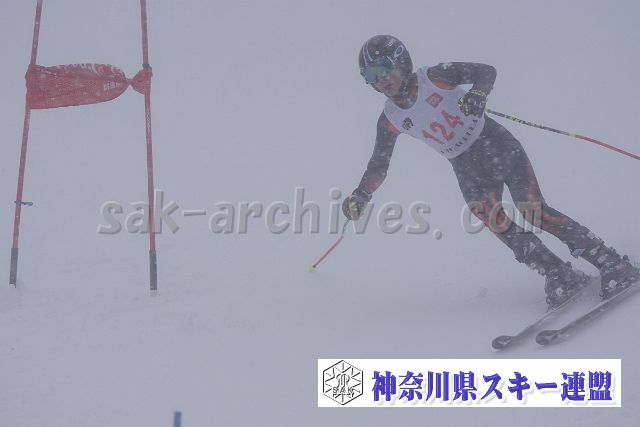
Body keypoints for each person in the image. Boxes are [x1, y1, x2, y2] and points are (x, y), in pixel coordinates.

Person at [342, 34, 638, 308]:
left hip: (495, 145)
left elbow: (486, 71)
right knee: (496, 222)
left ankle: (611, 262)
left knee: (533, 210)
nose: (380, 80)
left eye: (383, 69)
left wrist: (478, 93)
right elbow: (379, 164)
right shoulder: (390, 118)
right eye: (370, 75)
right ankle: (558, 273)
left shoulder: (434, 77)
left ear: (401, 62)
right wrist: (361, 194)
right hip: (466, 167)